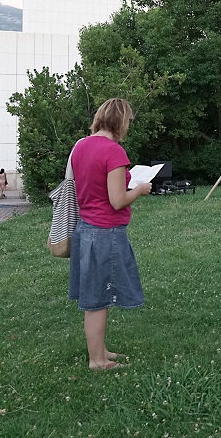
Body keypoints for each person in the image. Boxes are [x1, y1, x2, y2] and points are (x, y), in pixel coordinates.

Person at [68, 98, 152, 371]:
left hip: (85, 229)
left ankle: (99, 349)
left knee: (95, 296)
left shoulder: (81, 146)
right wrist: (139, 190)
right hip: (105, 233)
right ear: (122, 122)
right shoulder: (114, 152)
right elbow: (117, 200)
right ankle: (97, 361)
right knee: (97, 300)